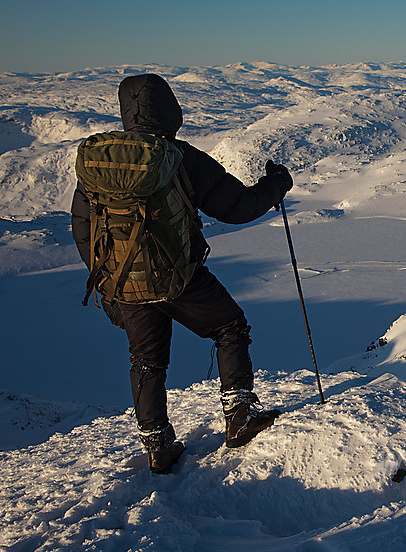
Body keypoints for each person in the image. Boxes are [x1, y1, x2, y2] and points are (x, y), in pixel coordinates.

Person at [71, 73, 293, 474]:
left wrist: (108, 287)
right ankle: (239, 415)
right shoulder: (179, 157)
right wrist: (276, 185)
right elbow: (237, 207)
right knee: (230, 326)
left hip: (124, 282)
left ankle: (158, 446)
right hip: (180, 278)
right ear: (170, 109)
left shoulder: (100, 164)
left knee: (146, 361)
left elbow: (84, 228)